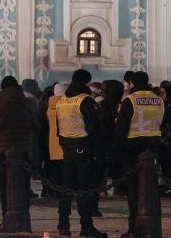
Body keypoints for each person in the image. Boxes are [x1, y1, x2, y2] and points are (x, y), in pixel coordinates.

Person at [56, 69, 107, 238]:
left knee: (66, 188)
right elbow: (94, 127)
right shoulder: (85, 100)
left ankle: (63, 224)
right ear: (85, 83)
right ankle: (86, 226)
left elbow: (59, 127)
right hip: (83, 148)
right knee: (84, 189)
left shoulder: (62, 101)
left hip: (67, 148)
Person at [113, 71, 164, 238]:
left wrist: (116, 150)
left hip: (132, 148)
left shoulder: (130, 100)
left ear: (132, 83)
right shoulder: (158, 99)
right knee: (151, 188)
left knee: (134, 191)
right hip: (152, 147)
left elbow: (121, 127)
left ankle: (135, 227)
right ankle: (153, 225)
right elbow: (162, 121)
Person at [0, 75, 33, 229]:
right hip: (23, 149)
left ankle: (7, 220)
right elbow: (36, 123)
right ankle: (24, 220)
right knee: (24, 186)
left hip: (1, 150)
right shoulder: (27, 102)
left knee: (4, 188)